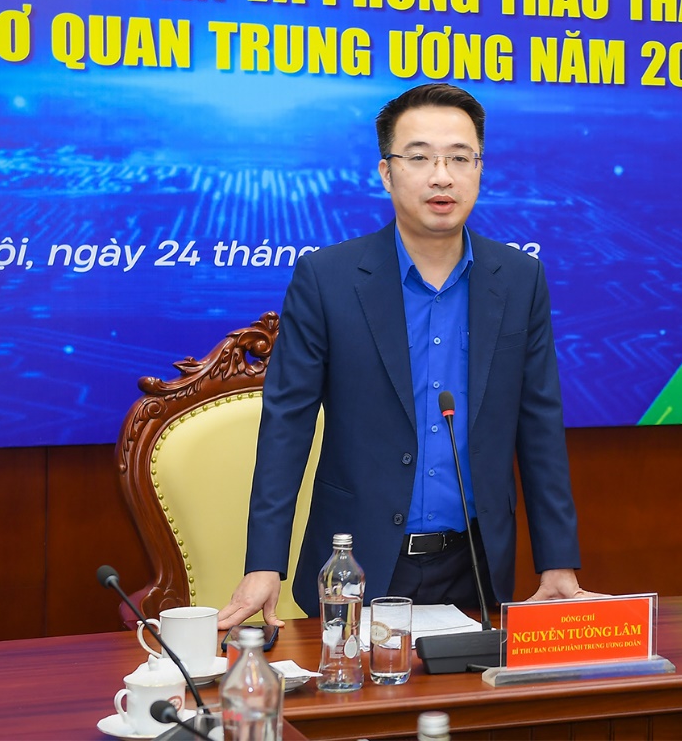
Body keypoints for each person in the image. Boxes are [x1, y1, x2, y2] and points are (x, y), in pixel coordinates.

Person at [219, 83, 588, 630]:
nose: (442, 176)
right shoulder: (328, 279)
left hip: (476, 565)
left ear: (479, 169)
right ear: (387, 173)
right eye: (419, 158)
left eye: (460, 158)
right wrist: (264, 563)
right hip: (355, 563)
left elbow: (539, 424)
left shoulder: (519, 279)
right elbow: (286, 426)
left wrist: (557, 560)